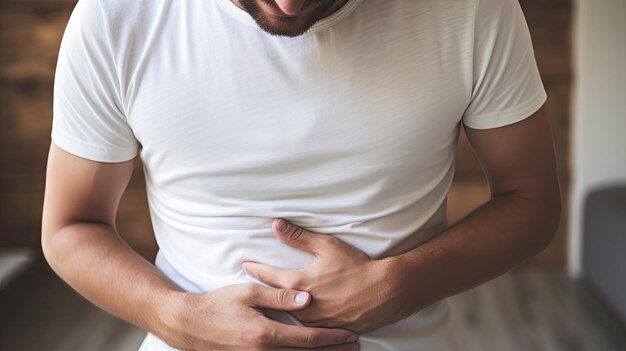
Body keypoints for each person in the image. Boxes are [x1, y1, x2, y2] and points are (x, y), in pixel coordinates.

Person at [41, 0, 561, 350]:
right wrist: (175, 318)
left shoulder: (472, 10)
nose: (288, 6)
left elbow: (531, 200)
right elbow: (71, 227)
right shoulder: (117, 15)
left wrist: (401, 285)